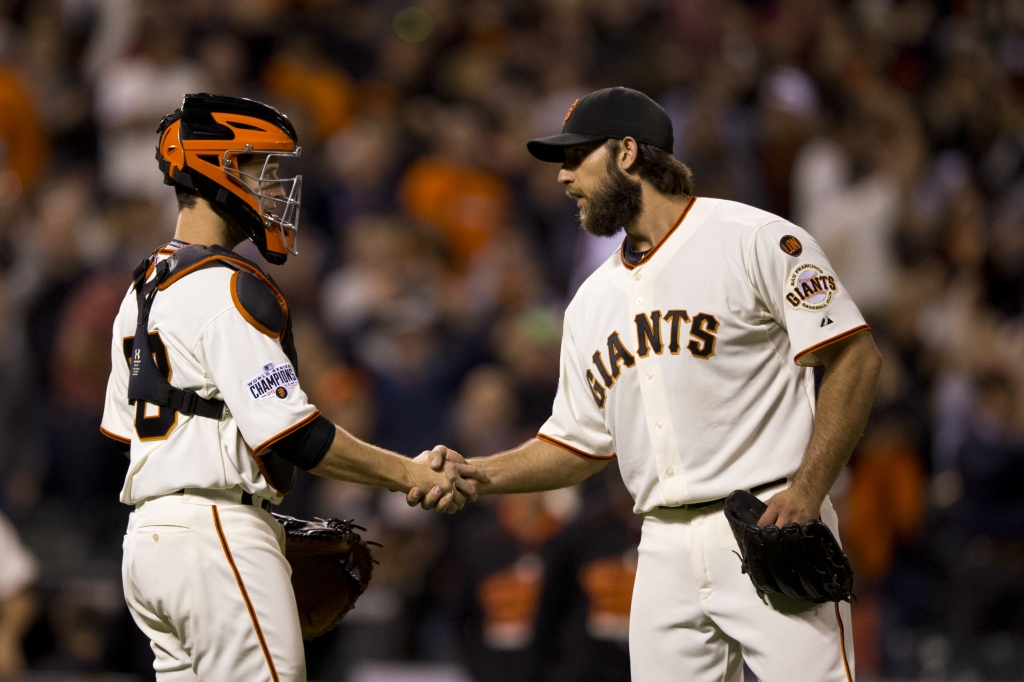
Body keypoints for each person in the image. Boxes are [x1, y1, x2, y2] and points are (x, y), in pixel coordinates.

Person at [410, 87, 882, 682]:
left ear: (627, 152)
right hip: (660, 544)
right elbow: (576, 443)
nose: (561, 177)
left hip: (771, 518)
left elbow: (855, 357)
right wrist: (481, 474)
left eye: (575, 156)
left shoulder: (754, 239)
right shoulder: (590, 301)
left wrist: (810, 489)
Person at [100, 94, 485, 682]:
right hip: (215, 537)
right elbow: (296, 437)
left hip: (148, 546)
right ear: (217, 169)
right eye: (261, 168)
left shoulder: (140, 291)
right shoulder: (227, 286)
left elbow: (123, 438)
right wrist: (409, 474)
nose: (275, 186)